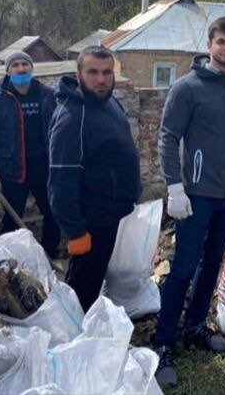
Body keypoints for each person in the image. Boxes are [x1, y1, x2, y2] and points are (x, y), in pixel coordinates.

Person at [153, 16, 225, 388]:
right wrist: (174, 187)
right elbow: (168, 137)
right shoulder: (187, 88)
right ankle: (164, 342)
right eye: (221, 42)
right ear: (210, 44)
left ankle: (195, 326)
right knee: (183, 266)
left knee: (213, 262)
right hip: (195, 196)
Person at [47, 46, 142, 312]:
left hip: (114, 214)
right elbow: (60, 181)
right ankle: (73, 342)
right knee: (81, 290)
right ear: (79, 75)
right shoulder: (71, 118)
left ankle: (90, 329)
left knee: (98, 282)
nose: (101, 79)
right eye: (93, 72)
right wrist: (75, 231)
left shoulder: (111, 103)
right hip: (91, 222)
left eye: (107, 72)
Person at [0, 50, 60, 259]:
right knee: (12, 216)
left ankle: (48, 255)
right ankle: (9, 258)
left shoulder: (47, 95)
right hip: (13, 168)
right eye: (15, 65)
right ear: (8, 71)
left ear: (32, 68)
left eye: (25, 64)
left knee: (53, 213)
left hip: (44, 167)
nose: (21, 69)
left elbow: (60, 130)